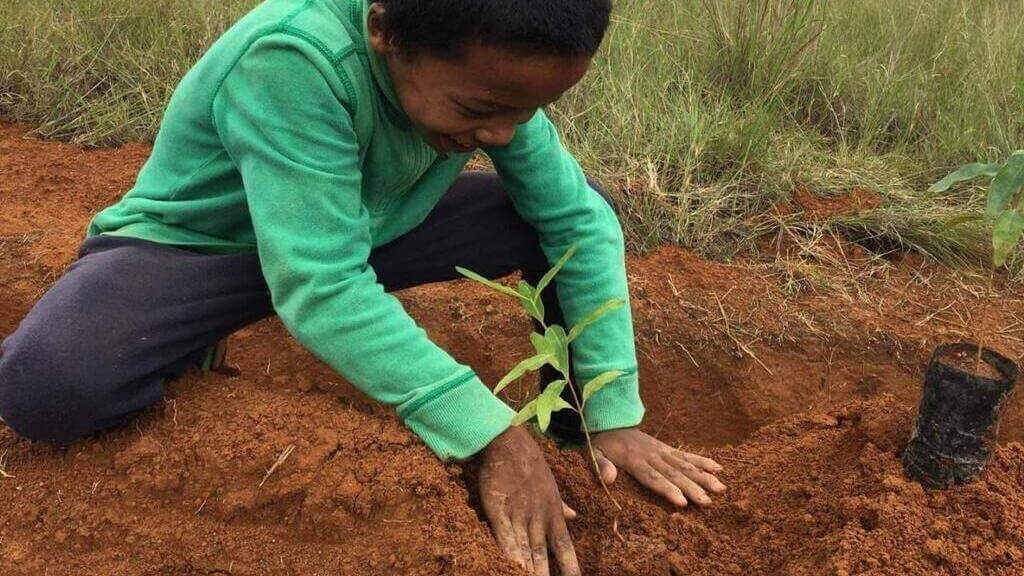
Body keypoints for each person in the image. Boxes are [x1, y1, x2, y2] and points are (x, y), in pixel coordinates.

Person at [0, 0, 725, 573]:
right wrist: (488, 433)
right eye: (478, 112)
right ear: (385, 29)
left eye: (526, 111)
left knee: (557, 215)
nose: (504, 134)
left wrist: (610, 406)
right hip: (201, 248)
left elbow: (577, 221)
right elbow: (321, 284)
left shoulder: (486, 76)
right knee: (47, 383)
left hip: (362, 226)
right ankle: (194, 354)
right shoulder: (293, 57)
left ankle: (576, 435)